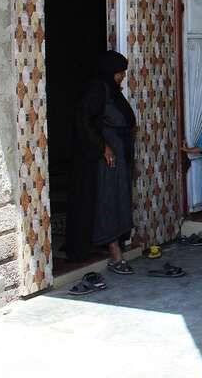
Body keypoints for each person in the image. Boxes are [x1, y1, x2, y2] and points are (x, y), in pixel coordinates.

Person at [67, 50, 136, 275]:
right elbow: (84, 119)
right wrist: (103, 146)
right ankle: (114, 249)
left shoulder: (112, 90)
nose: (122, 77)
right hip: (106, 157)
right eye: (119, 73)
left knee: (118, 198)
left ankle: (117, 244)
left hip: (118, 153)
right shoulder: (98, 88)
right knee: (108, 200)